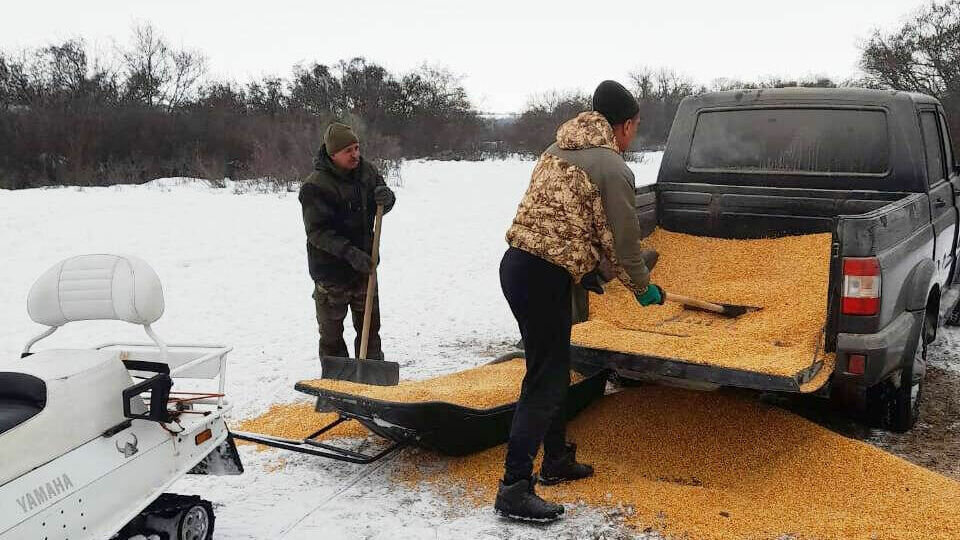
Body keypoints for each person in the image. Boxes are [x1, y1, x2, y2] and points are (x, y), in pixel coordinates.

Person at [495, 80, 664, 522]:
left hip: (517, 267)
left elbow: (572, 223)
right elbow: (626, 245)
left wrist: (595, 268)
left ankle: (555, 460)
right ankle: (514, 487)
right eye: (635, 127)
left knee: (550, 364)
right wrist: (643, 287)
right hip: (544, 277)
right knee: (545, 379)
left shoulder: (555, 148)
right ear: (624, 125)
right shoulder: (613, 167)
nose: (633, 136)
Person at [298, 122, 396, 361]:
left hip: (365, 270)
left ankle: (373, 381)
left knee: (370, 331)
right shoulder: (315, 186)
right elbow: (317, 232)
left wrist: (388, 198)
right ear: (333, 155)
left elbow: (382, 204)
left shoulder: (367, 173)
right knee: (332, 337)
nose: (355, 155)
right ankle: (337, 388)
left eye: (357, 148)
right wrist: (350, 254)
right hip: (331, 275)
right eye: (348, 151)